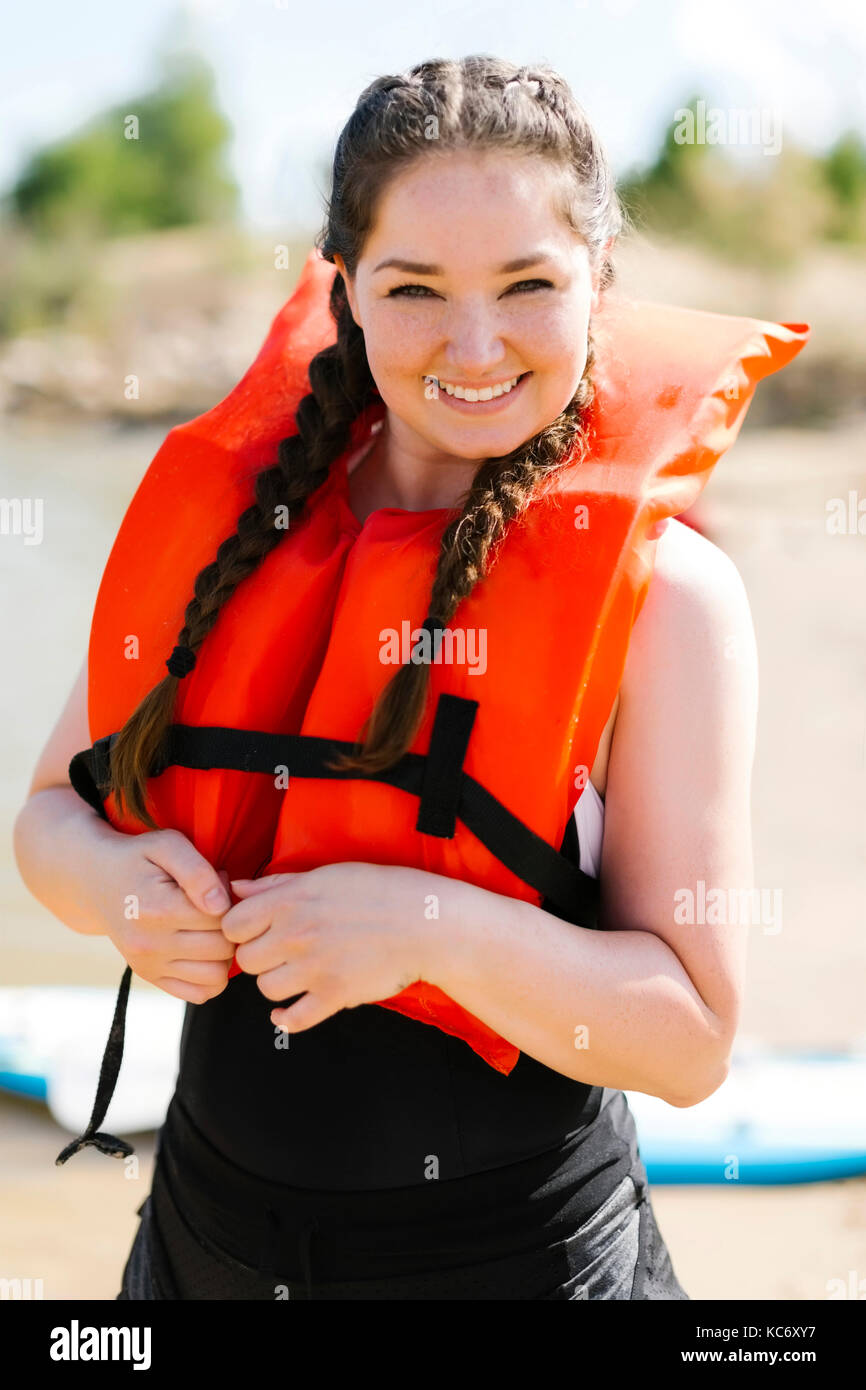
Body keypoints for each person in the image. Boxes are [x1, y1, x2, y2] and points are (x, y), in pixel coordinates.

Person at [14, 55, 758, 1300]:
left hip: (511, 1264)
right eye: (414, 288)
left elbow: (688, 1045)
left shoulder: (668, 600)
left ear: (598, 286)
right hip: (204, 1246)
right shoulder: (231, 537)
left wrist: (430, 930)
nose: (474, 346)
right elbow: (46, 818)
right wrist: (111, 887)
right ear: (346, 289)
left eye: (528, 284)